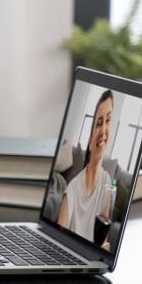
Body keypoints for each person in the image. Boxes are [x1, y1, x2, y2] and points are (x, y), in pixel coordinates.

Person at [57, 90, 114, 248]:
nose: (103, 130)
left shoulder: (107, 182)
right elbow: (58, 245)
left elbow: (103, 239)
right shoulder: (72, 191)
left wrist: (104, 248)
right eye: (98, 123)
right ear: (89, 141)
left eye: (107, 121)